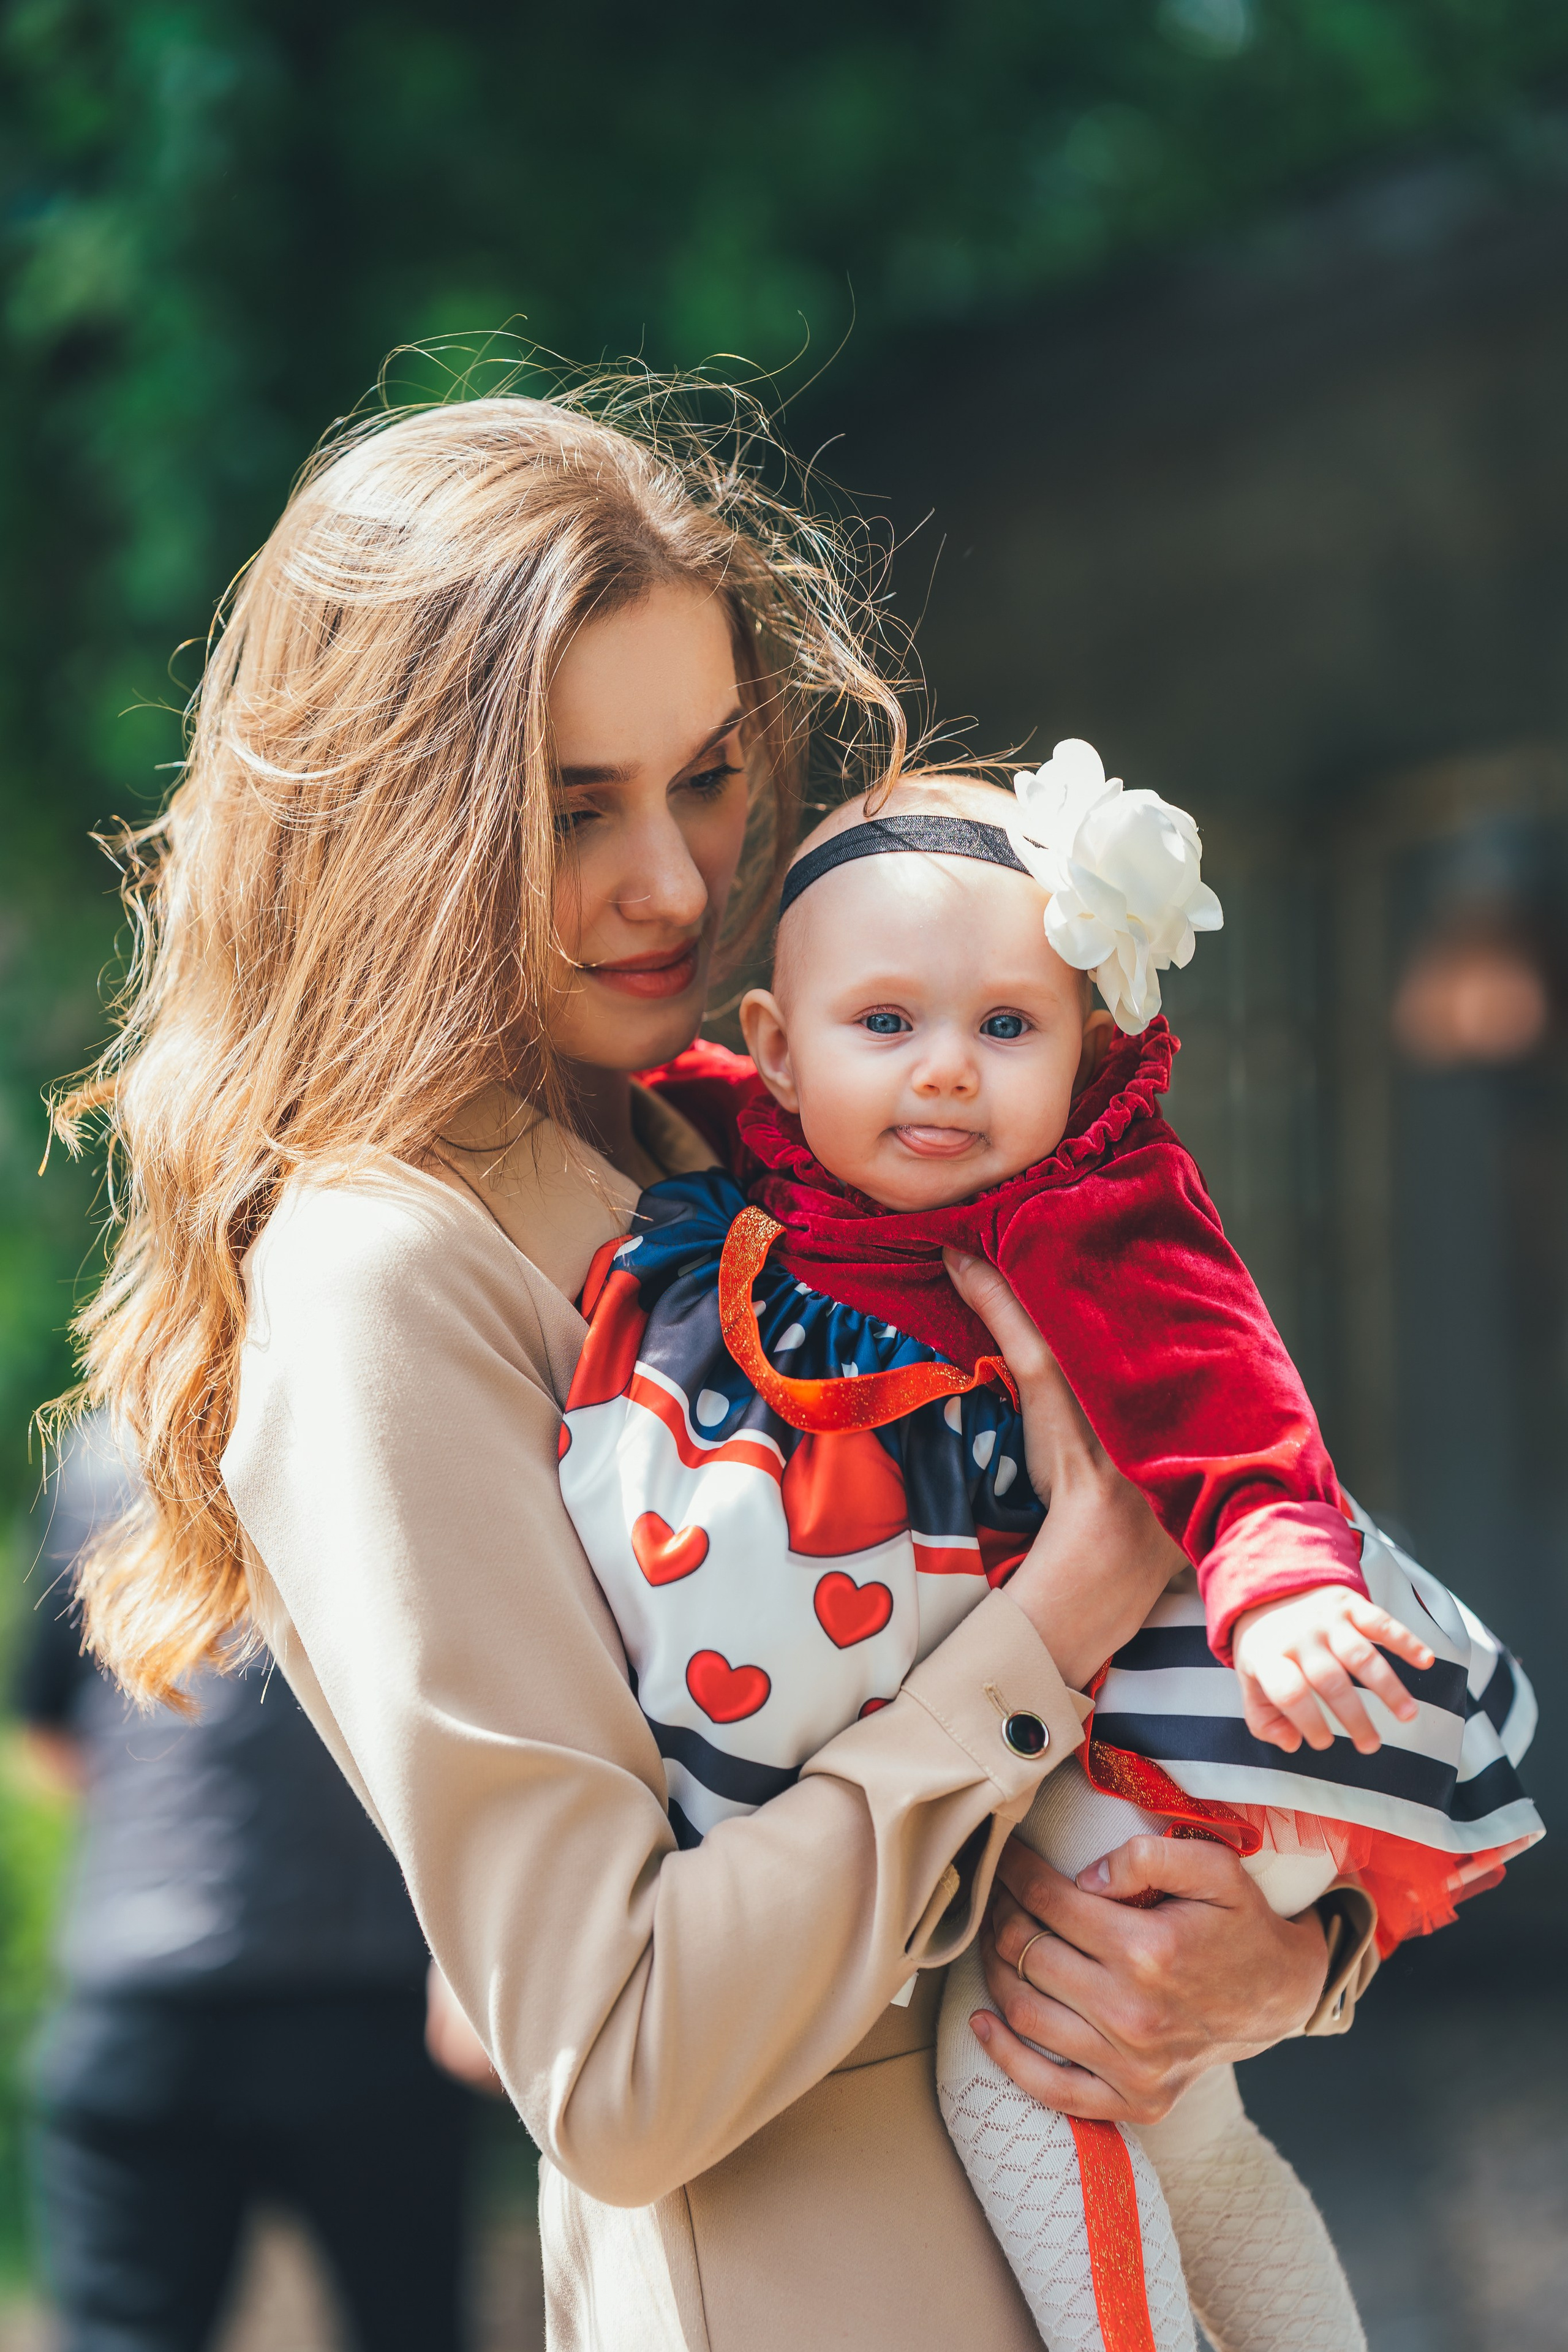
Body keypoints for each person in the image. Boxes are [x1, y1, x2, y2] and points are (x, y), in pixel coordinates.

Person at [51, 384, 1385, 2352]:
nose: (673, 883)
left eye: (708, 776)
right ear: (386, 815)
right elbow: (615, 2066)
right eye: (573, 806)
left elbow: (1214, 1605)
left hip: (1151, 2239)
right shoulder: (383, 1275)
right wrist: (1054, 1620)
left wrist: (1287, 1953)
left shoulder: (740, 1138)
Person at [556, 767, 1541, 2348]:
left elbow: (1228, 1390)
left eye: (1008, 1027)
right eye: (888, 1024)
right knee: (1199, 2142)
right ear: (774, 1049)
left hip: (1207, 1706)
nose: (945, 1074)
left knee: (1020, 2068)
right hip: (1083, 1725)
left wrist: (1279, 1568)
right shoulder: (776, 1147)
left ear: (1086, 1050)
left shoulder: (1084, 1205)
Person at [21, 1420, 480, 2352]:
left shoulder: (103, 1454)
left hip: (141, 2005)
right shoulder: (391, 1411)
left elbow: (49, 1735)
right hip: (368, 1994)